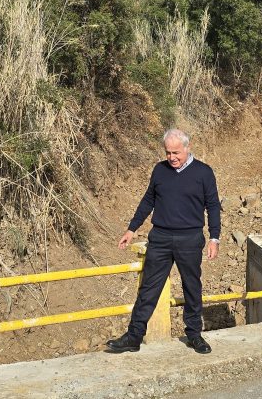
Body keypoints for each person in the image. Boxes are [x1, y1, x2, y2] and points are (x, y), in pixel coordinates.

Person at [107, 128, 222, 354]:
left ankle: (194, 334)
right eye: (168, 152)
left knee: (191, 286)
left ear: (188, 148)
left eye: (176, 152)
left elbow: (213, 206)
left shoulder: (203, 172)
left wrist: (214, 237)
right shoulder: (159, 170)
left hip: (190, 238)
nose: (172, 157)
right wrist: (132, 229)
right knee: (148, 288)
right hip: (159, 238)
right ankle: (134, 336)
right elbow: (148, 200)